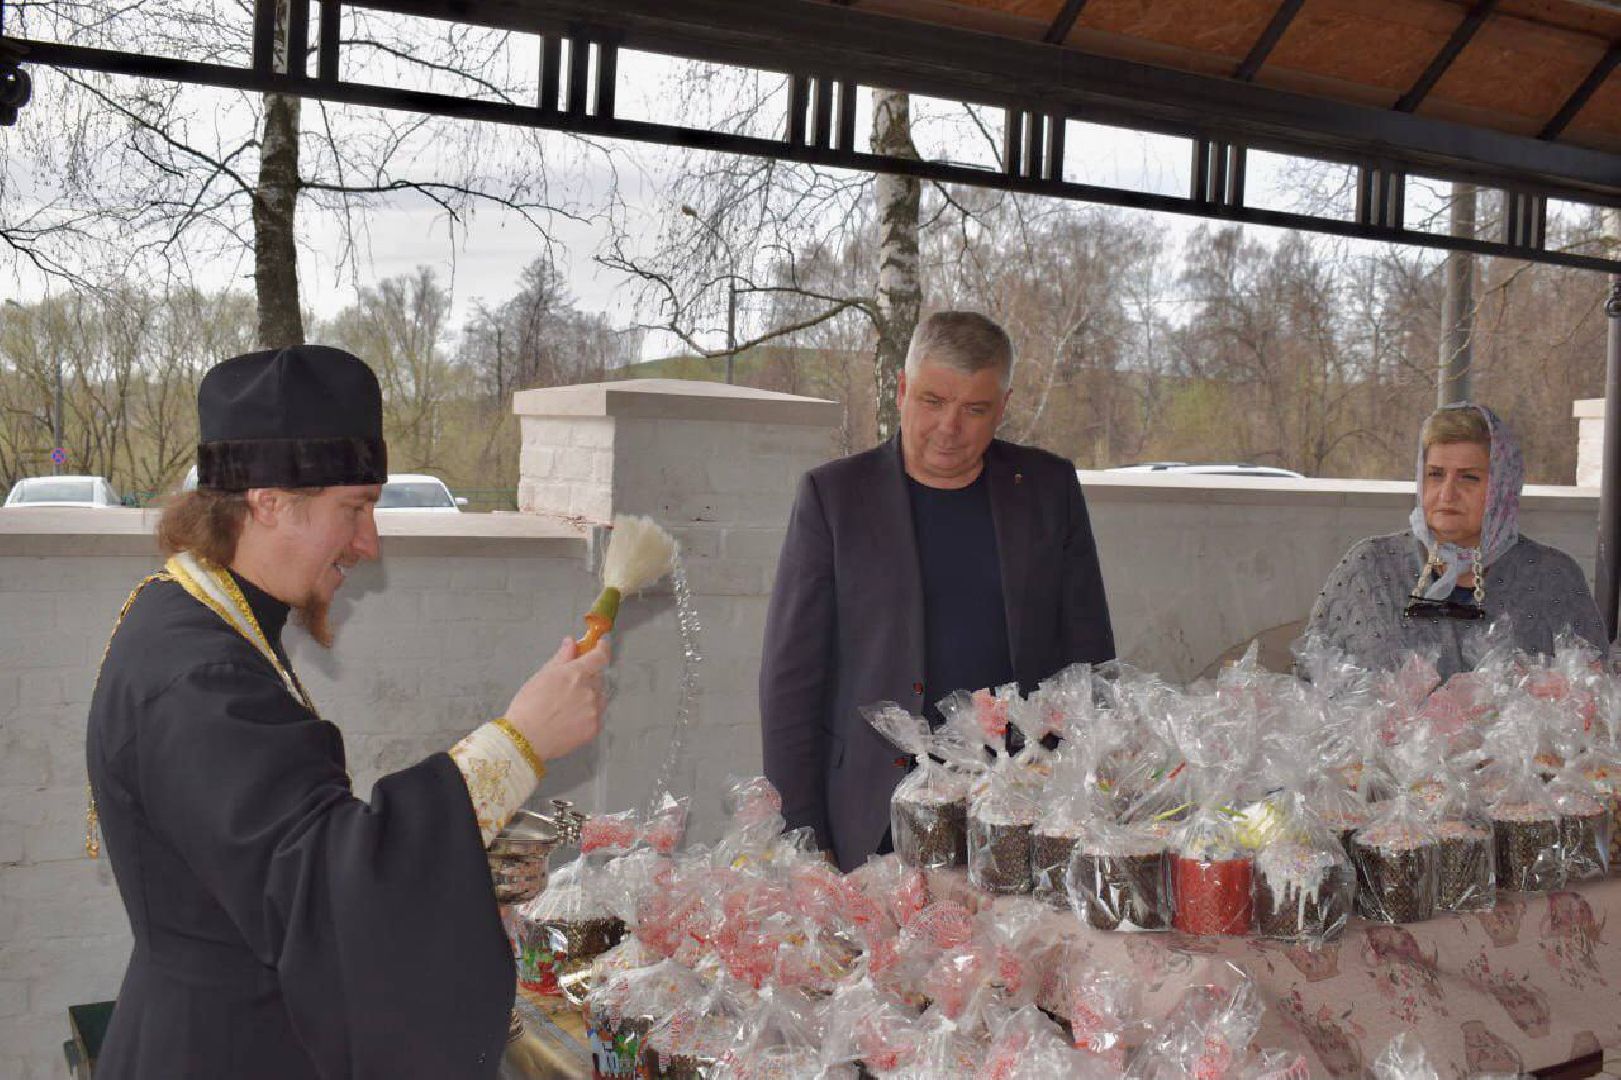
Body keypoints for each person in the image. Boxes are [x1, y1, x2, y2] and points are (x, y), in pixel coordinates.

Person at [84, 345, 611, 1079]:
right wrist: (518, 744)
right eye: (354, 508)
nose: (369, 542)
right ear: (267, 500)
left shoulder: (197, 616)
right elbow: (327, 886)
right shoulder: (199, 673)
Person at [759, 311, 1115, 871]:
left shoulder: (1048, 489)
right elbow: (791, 680)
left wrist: (1089, 794)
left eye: (974, 409)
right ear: (901, 389)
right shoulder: (834, 497)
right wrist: (804, 838)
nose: (950, 426)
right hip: (871, 820)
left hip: (1022, 811)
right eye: (932, 401)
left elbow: (1089, 658)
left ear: (1004, 406)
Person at [1305, 402, 1605, 679]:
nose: (1447, 494)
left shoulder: (1553, 577)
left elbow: (1596, 692)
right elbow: (1309, 682)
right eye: (1436, 475)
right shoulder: (1370, 567)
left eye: (1469, 478)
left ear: (1503, 487)